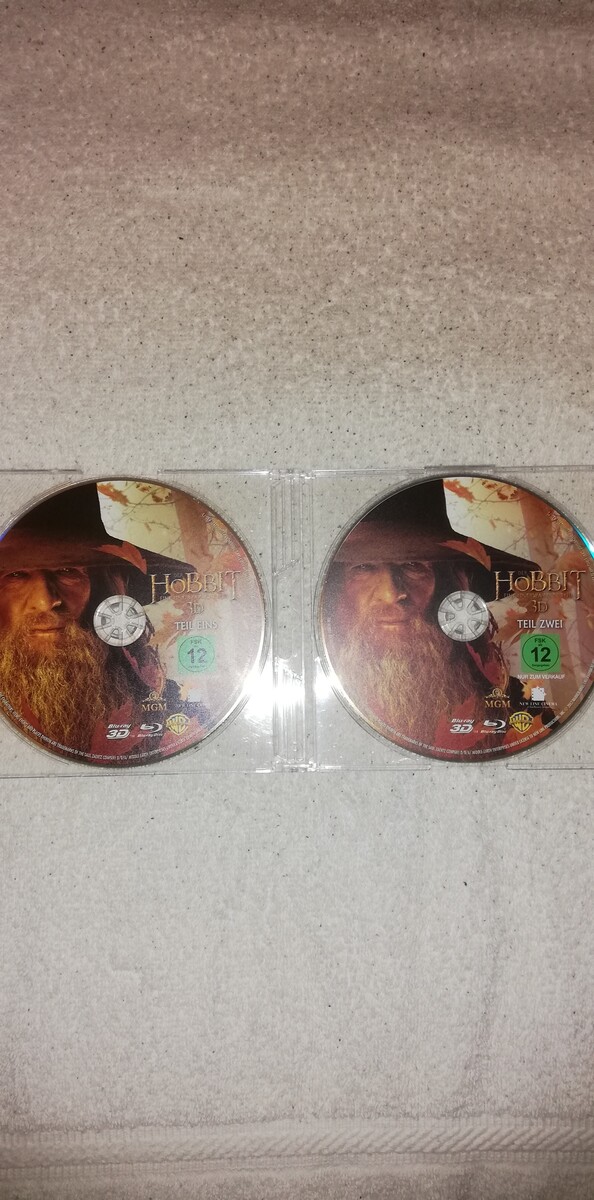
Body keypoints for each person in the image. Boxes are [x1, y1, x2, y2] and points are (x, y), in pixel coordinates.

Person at [320, 479, 554, 757]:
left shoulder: (517, 708)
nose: (391, 593)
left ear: (446, 585)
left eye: (413, 566)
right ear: (333, 587)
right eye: (363, 567)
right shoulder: (317, 710)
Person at [0, 483, 208, 762]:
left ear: (102, 587)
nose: (45, 600)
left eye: (67, 571)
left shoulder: (172, 709)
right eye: (15, 575)